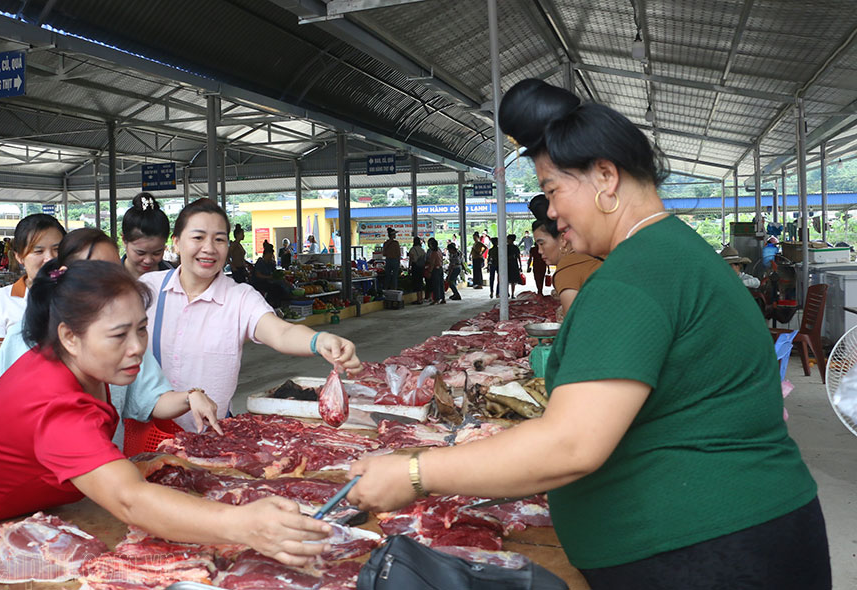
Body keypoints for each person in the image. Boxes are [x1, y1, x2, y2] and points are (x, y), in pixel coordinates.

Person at [346, 78, 829, 590]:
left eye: (554, 190)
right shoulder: (672, 253)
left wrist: (414, 472)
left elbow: (572, 444)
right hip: (732, 540)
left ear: (605, 176)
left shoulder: (634, 277)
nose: (550, 212)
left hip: (711, 552)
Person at [0, 260, 330, 564]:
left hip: (14, 522)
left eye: (142, 328)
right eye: (120, 334)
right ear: (69, 336)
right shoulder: (52, 402)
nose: (138, 347)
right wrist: (243, 525)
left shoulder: (80, 363)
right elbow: (129, 499)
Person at [0, 228, 221, 449]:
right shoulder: (25, 340)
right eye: (96, 271)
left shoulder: (128, 340)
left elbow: (150, 398)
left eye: (115, 271)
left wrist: (191, 397)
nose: (111, 283)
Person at [141, 198, 362, 424]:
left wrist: (319, 340)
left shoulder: (240, 298)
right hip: (146, 434)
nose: (208, 248)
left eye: (219, 239)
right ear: (176, 243)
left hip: (209, 441)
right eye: (198, 237)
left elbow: (280, 333)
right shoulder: (147, 289)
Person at [0, 214, 65, 406]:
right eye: (38, 251)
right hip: (20, 411)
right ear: (19, 257)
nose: (49, 258)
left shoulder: (81, 297)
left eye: (57, 249)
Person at [531, 220, 601, 316]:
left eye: (542, 243)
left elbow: (575, 323)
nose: (539, 251)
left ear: (563, 239)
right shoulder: (590, 257)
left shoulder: (566, 270)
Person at [122, 193, 174, 279]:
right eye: (140, 253)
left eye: (157, 253)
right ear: (124, 240)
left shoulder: (174, 277)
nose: (148, 260)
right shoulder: (108, 278)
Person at [251, 242, 291, 309]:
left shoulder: (270, 263)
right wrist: (269, 277)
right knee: (275, 288)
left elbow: (274, 272)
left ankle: (280, 303)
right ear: (267, 254)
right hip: (260, 282)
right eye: (271, 254)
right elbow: (258, 275)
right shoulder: (260, 262)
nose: (272, 256)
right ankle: (272, 304)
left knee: (280, 286)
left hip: (268, 281)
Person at [423, 237, 445, 305]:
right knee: (441, 284)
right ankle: (442, 298)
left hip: (435, 269)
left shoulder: (433, 253)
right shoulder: (439, 251)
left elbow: (432, 263)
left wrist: (429, 272)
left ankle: (436, 299)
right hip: (440, 268)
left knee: (435, 285)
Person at [407, 236, 426, 304]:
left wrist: (409, 268)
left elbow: (411, 260)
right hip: (421, 267)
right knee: (420, 282)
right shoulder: (422, 249)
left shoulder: (412, 249)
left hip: (415, 267)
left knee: (416, 283)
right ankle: (421, 298)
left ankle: (419, 299)